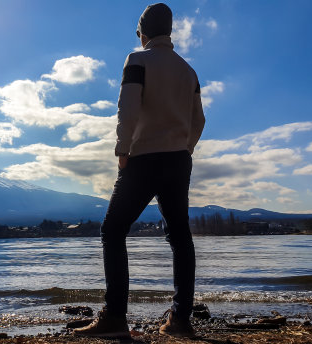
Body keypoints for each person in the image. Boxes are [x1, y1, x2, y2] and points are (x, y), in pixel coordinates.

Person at [74, 2, 205, 339]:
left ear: (143, 32)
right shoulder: (189, 71)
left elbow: (127, 107)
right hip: (178, 160)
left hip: (144, 157)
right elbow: (199, 120)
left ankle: (116, 318)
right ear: (170, 32)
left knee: (113, 230)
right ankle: (180, 319)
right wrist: (184, 148)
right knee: (180, 237)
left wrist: (122, 149)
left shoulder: (137, 60)